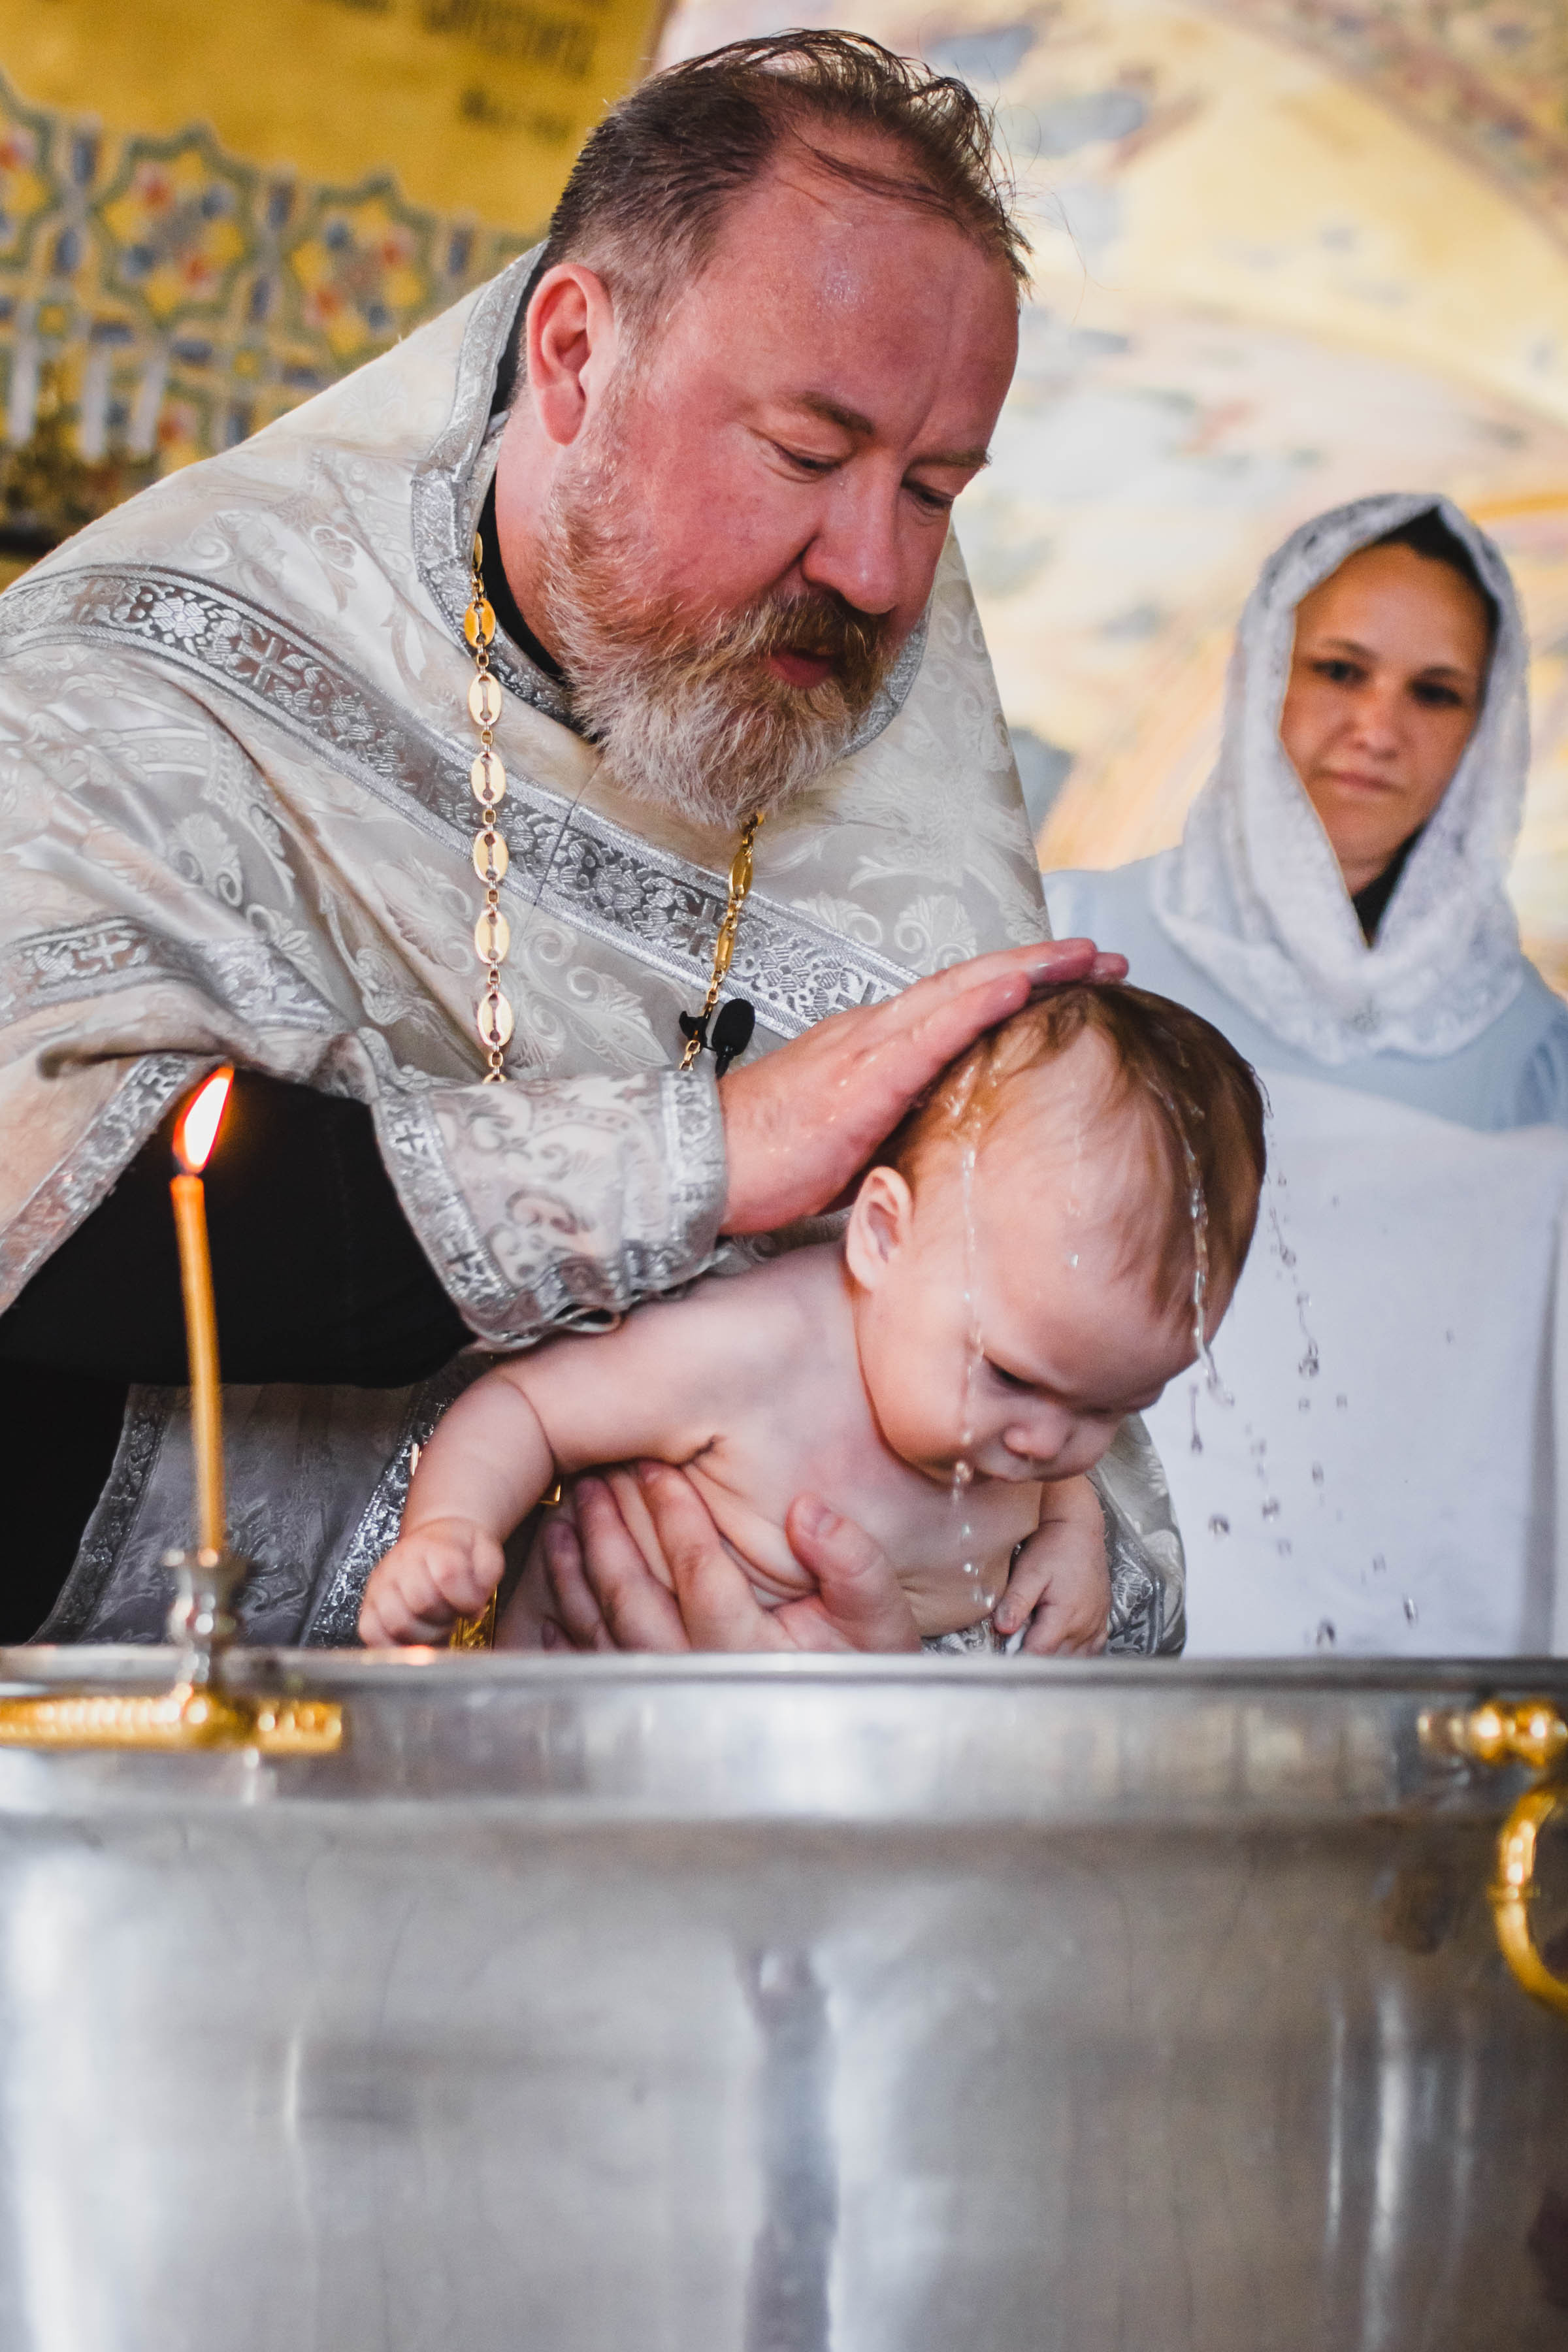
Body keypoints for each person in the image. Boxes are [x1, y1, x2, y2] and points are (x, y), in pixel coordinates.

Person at [0, 34, 1183, 1656]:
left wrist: (922, 1598)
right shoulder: (142, 661)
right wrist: (707, 1159)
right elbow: (58, 1204)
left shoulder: (903, 788)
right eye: (809, 454)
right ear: (574, 352)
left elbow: (1082, 1426)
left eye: (935, 489)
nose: (875, 571)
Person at [1045, 494, 1568, 1656]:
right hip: (1094, 1595)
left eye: (1436, 693)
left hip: (1412, 1662)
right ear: (1263, 670)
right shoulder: (1079, 947)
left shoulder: (1540, 1056)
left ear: (1489, 732)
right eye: (1340, 670)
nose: (1378, 725)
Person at [357, 984, 1265, 1652]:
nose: (1047, 1444)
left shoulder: (1020, 1404)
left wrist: (1076, 1539)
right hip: (594, 1702)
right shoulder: (759, 1350)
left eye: (1110, 1408)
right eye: (1014, 1377)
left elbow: (1053, 1450)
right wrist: (451, 1529)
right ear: (881, 1236)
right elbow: (528, 1410)